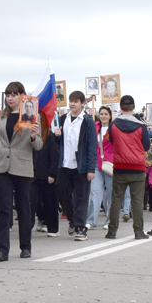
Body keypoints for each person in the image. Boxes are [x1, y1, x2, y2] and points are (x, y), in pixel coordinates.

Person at [0, 81, 42, 260]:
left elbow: (39, 145)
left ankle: (25, 246)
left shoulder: (31, 115)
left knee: (23, 208)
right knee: (4, 208)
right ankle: (2, 250)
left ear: (22, 96)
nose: (10, 98)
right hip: (3, 166)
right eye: (8, 95)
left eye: (14, 95)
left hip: (22, 166)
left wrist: (34, 136)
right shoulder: (2, 116)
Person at [51, 90, 98, 241]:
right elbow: (58, 143)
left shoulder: (87, 121)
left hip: (81, 165)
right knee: (62, 192)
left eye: (76, 101)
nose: (72, 103)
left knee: (81, 197)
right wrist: (56, 136)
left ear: (82, 103)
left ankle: (80, 227)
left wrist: (91, 168)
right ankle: (72, 219)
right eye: (71, 100)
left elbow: (92, 146)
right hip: (65, 164)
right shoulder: (63, 118)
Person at [104, 95, 152, 241]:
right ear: (133, 107)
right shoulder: (141, 126)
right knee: (137, 201)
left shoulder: (113, 124)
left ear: (121, 107)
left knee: (116, 200)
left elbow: (110, 140)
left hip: (119, 166)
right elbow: (147, 146)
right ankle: (138, 232)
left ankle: (112, 231)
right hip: (137, 167)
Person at [87, 105, 114, 229]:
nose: (103, 116)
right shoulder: (94, 128)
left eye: (106, 114)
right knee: (94, 192)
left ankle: (110, 221)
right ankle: (91, 220)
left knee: (110, 194)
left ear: (110, 116)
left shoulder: (114, 129)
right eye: (101, 114)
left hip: (110, 164)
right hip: (97, 164)